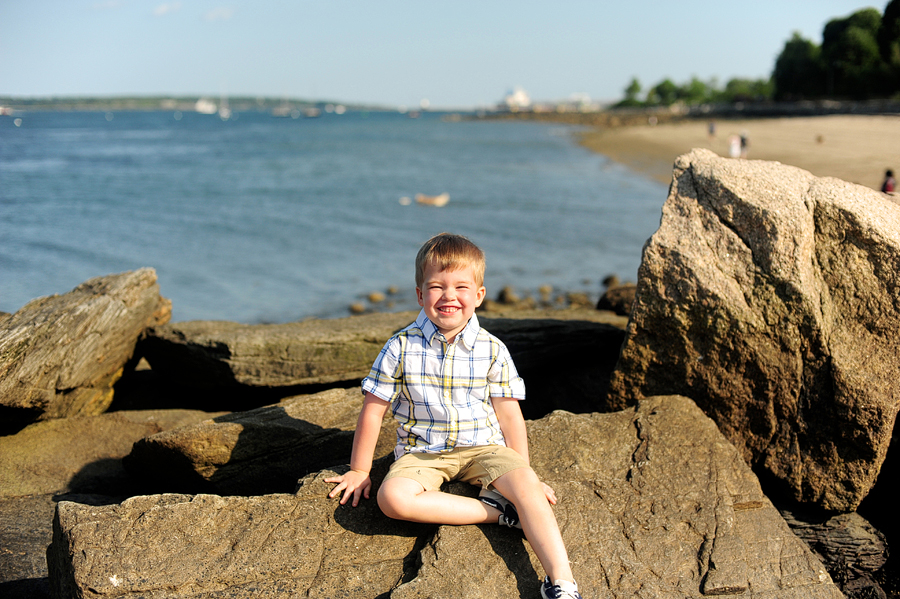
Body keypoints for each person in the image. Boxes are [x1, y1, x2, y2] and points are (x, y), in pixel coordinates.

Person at [326, 232, 584, 599]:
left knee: (531, 493)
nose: (449, 296)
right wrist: (360, 471)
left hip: (484, 448)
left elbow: (509, 415)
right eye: (436, 286)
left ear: (479, 295)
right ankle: (498, 513)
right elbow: (373, 410)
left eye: (462, 286)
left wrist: (523, 474)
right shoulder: (400, 346)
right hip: (423, 452)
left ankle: (561, 582)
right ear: (419, 294)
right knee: (392, 500)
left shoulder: (492, 349)